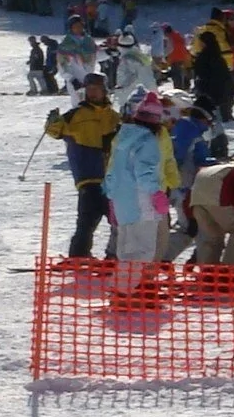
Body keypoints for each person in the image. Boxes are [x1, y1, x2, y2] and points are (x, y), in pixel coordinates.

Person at [102, 90, 171, 291]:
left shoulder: (122, 139)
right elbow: (145, 172)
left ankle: (121, 288)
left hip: (123, 203)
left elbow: (111, 172)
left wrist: (112, 197)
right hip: (142, 203)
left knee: (126, 248)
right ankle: (128, 291)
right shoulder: (147, 141)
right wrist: (156, 194)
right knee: (142, 250)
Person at [43, 77, 120, 259]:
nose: (92, 93)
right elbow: (55, 131)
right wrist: (52, 122)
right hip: (88, 174)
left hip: (112, 177)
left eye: (96, 89)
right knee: (87, 219)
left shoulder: (114, 116)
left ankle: (114, 254)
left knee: (118, 219)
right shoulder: (76, 114)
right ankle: (78, 255)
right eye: (89, 89)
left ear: (104, 91)